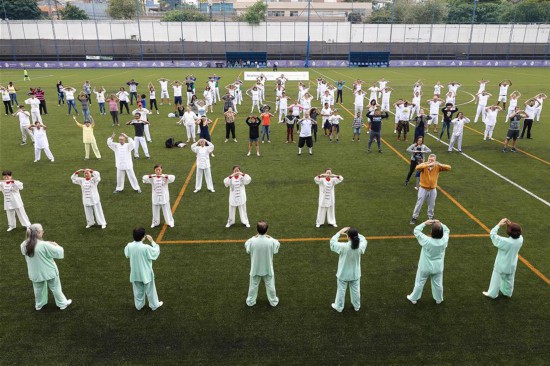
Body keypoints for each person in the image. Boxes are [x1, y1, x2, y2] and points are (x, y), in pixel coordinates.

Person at [21, 223, 72, 311]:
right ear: (38, 233)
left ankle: (39, 305)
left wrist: (46, 243)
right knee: (56, 288)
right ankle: (62, 303)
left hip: (35, 273)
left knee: (38, 289)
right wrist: (56, 245)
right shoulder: (44, 245)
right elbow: (59, 252)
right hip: (49, 271)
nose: (43, 232)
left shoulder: (23, 244)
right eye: (41, 231)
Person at [407, 219, 450, 305]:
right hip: (438, 267)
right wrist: (440, 223)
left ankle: (414, 298)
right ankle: (439, 299)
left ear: (432, 232)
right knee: (438, 284)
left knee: (419, 282)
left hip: (425, 267)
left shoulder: (426, 240)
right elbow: (447, 230)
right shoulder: (444, 240)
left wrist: (425, 223)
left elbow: (416, 230)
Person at [124, 228, 163, 311]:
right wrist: (152, 241)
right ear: (143, 237)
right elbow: (156, 252)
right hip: (146, 274)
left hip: (135, 273)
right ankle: (154, 305)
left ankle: (139, 306)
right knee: (151, 291)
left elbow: (126, 254)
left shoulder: (129, 245)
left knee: (137, 291)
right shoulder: (145, 247)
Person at [330, 227, 368, 312]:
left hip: (343, 273)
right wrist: (356, 233)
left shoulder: (343, 247)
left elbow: (332, 243)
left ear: (348, 237)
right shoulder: (360, 246)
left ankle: (339, 307)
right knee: (356, 291)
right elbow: (364, 240)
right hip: (355, 273)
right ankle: (357, 306)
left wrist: (339, 232)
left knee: (341, 291)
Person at [483, 218, 523, 299]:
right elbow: (518, 233)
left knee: (496, 280)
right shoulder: (520, 240)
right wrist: (511, 224)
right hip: (512, 265)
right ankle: (508, 293)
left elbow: (492, 234)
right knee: (509, 280)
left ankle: (492, 294)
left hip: (501, 265)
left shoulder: (505, 242)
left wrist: (498, 225)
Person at [245, 221, 280, 307]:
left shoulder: (252, 241)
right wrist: (270, 236)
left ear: (257, 230)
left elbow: (247, 247)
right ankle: (273, 302)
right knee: (271, 286)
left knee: (253, 286)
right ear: (267, 230)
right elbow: (276, 247)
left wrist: (254, 236)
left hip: (255, 268)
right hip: (268, 268)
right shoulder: (271, 241)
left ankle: (250, 302)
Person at [410, 154, 451, 225]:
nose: (430, 161)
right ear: (427, 159)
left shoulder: (437, 166)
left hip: (432, 189)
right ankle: (414, 217)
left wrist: (440, 164)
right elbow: (417, 167)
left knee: (432, 204)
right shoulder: (424, 165)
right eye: (429, 160)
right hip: (423, 188)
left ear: (435, 160)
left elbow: (449, 167)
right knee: (419, 203)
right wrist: (427, 165)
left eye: (432, 160)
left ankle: (430, 218)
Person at [142, 164, 175, 228]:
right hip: (155, 197)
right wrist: (150, 176)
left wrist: (166, 176)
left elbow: (173, 178)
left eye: (159, 170)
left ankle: (170, 222)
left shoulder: (165, 177)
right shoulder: (152, 178)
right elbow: (144, 178)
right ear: (154, 171)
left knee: (166, 210)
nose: (158, 171)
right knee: (155, 210)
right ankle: (155, 223)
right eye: (156, 170)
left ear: (161, 170)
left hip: (164, 197)